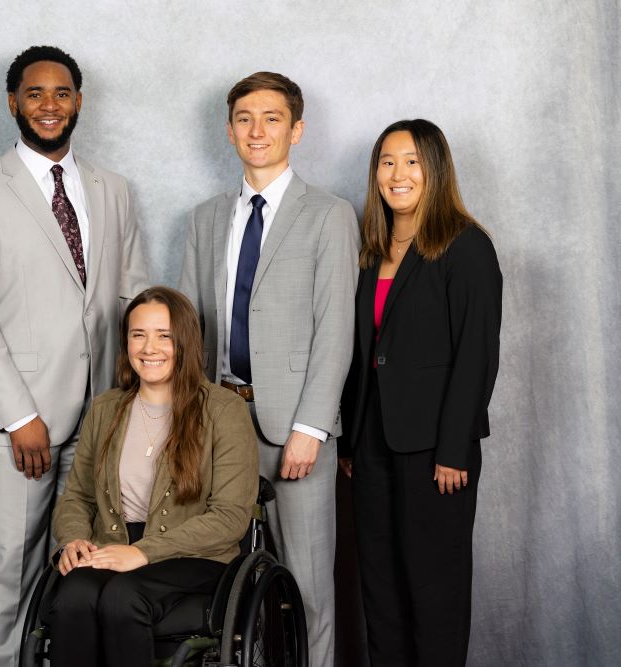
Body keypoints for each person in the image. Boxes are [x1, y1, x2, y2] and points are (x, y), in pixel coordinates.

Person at [0, 45, 148, 666]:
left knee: (83, 569)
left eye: (62, 93)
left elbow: (131, 295)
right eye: (35, 94)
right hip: (17, 425)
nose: (50, 105)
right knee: (12, 570)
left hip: (100, 419)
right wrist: (17, 416)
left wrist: (133, 403)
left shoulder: (113, 190)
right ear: (13, 103)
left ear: (79, 102)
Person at [179, 71, 360, 667]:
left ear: (297, 130)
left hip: (295, 427)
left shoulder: (328, 215)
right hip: (221, 419)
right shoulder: (205, 218)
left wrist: (311, 427)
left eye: (273, 119)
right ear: (229, 130)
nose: (258, 131)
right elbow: (190, 329)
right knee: (227, 591)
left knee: (307, 591)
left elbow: (336, 327)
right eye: (245, 119)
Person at [338, 119, 502, 666]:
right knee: (380, 594)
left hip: (435, 452)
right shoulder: (370, 249)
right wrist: (348, 441)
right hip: (371, 448)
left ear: (435, 169)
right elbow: (363, 353)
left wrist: (454, 450)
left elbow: (476, 357)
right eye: (387, 161)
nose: (398, 173)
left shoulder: (466, 247)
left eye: (412, 161)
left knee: (434, 594)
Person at [45, 286, 258, 666]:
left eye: (164, 336)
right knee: (73, 595)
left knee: (123, 597)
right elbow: (77, 496)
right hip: (110, 544)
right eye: (138, 335)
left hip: (196, 556)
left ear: (186, 342)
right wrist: (74, 539)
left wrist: (142, 552)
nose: (149, 348)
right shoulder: (106, 408)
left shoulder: (224, 411)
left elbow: (230, 518)